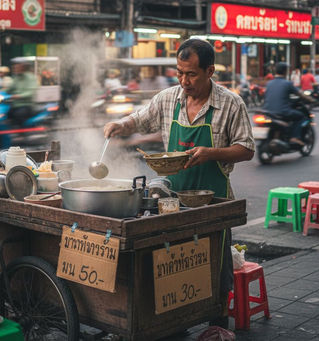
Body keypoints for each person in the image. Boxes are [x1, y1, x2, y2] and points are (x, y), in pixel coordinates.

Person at [104, 39, 255, 326]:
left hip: (213, 201)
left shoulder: (230, 103)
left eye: (191, 74)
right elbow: (141, 118)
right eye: (179, 72)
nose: (184, 80)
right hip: (172, 201)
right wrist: (120, 125)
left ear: (210, 71)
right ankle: (177, 321)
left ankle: (218, 324)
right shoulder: (168, 99)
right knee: (175, 263)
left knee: (215, 264)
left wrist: (211, 153)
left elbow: (246, 148)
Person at [263, 62, 314, 146]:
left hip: (267, 111)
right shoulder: (287, 84)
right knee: (301, 117)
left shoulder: (269, 83)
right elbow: (301, 95)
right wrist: (312, 100)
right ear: (285, 71)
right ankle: (294, 137)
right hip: (283, 112)